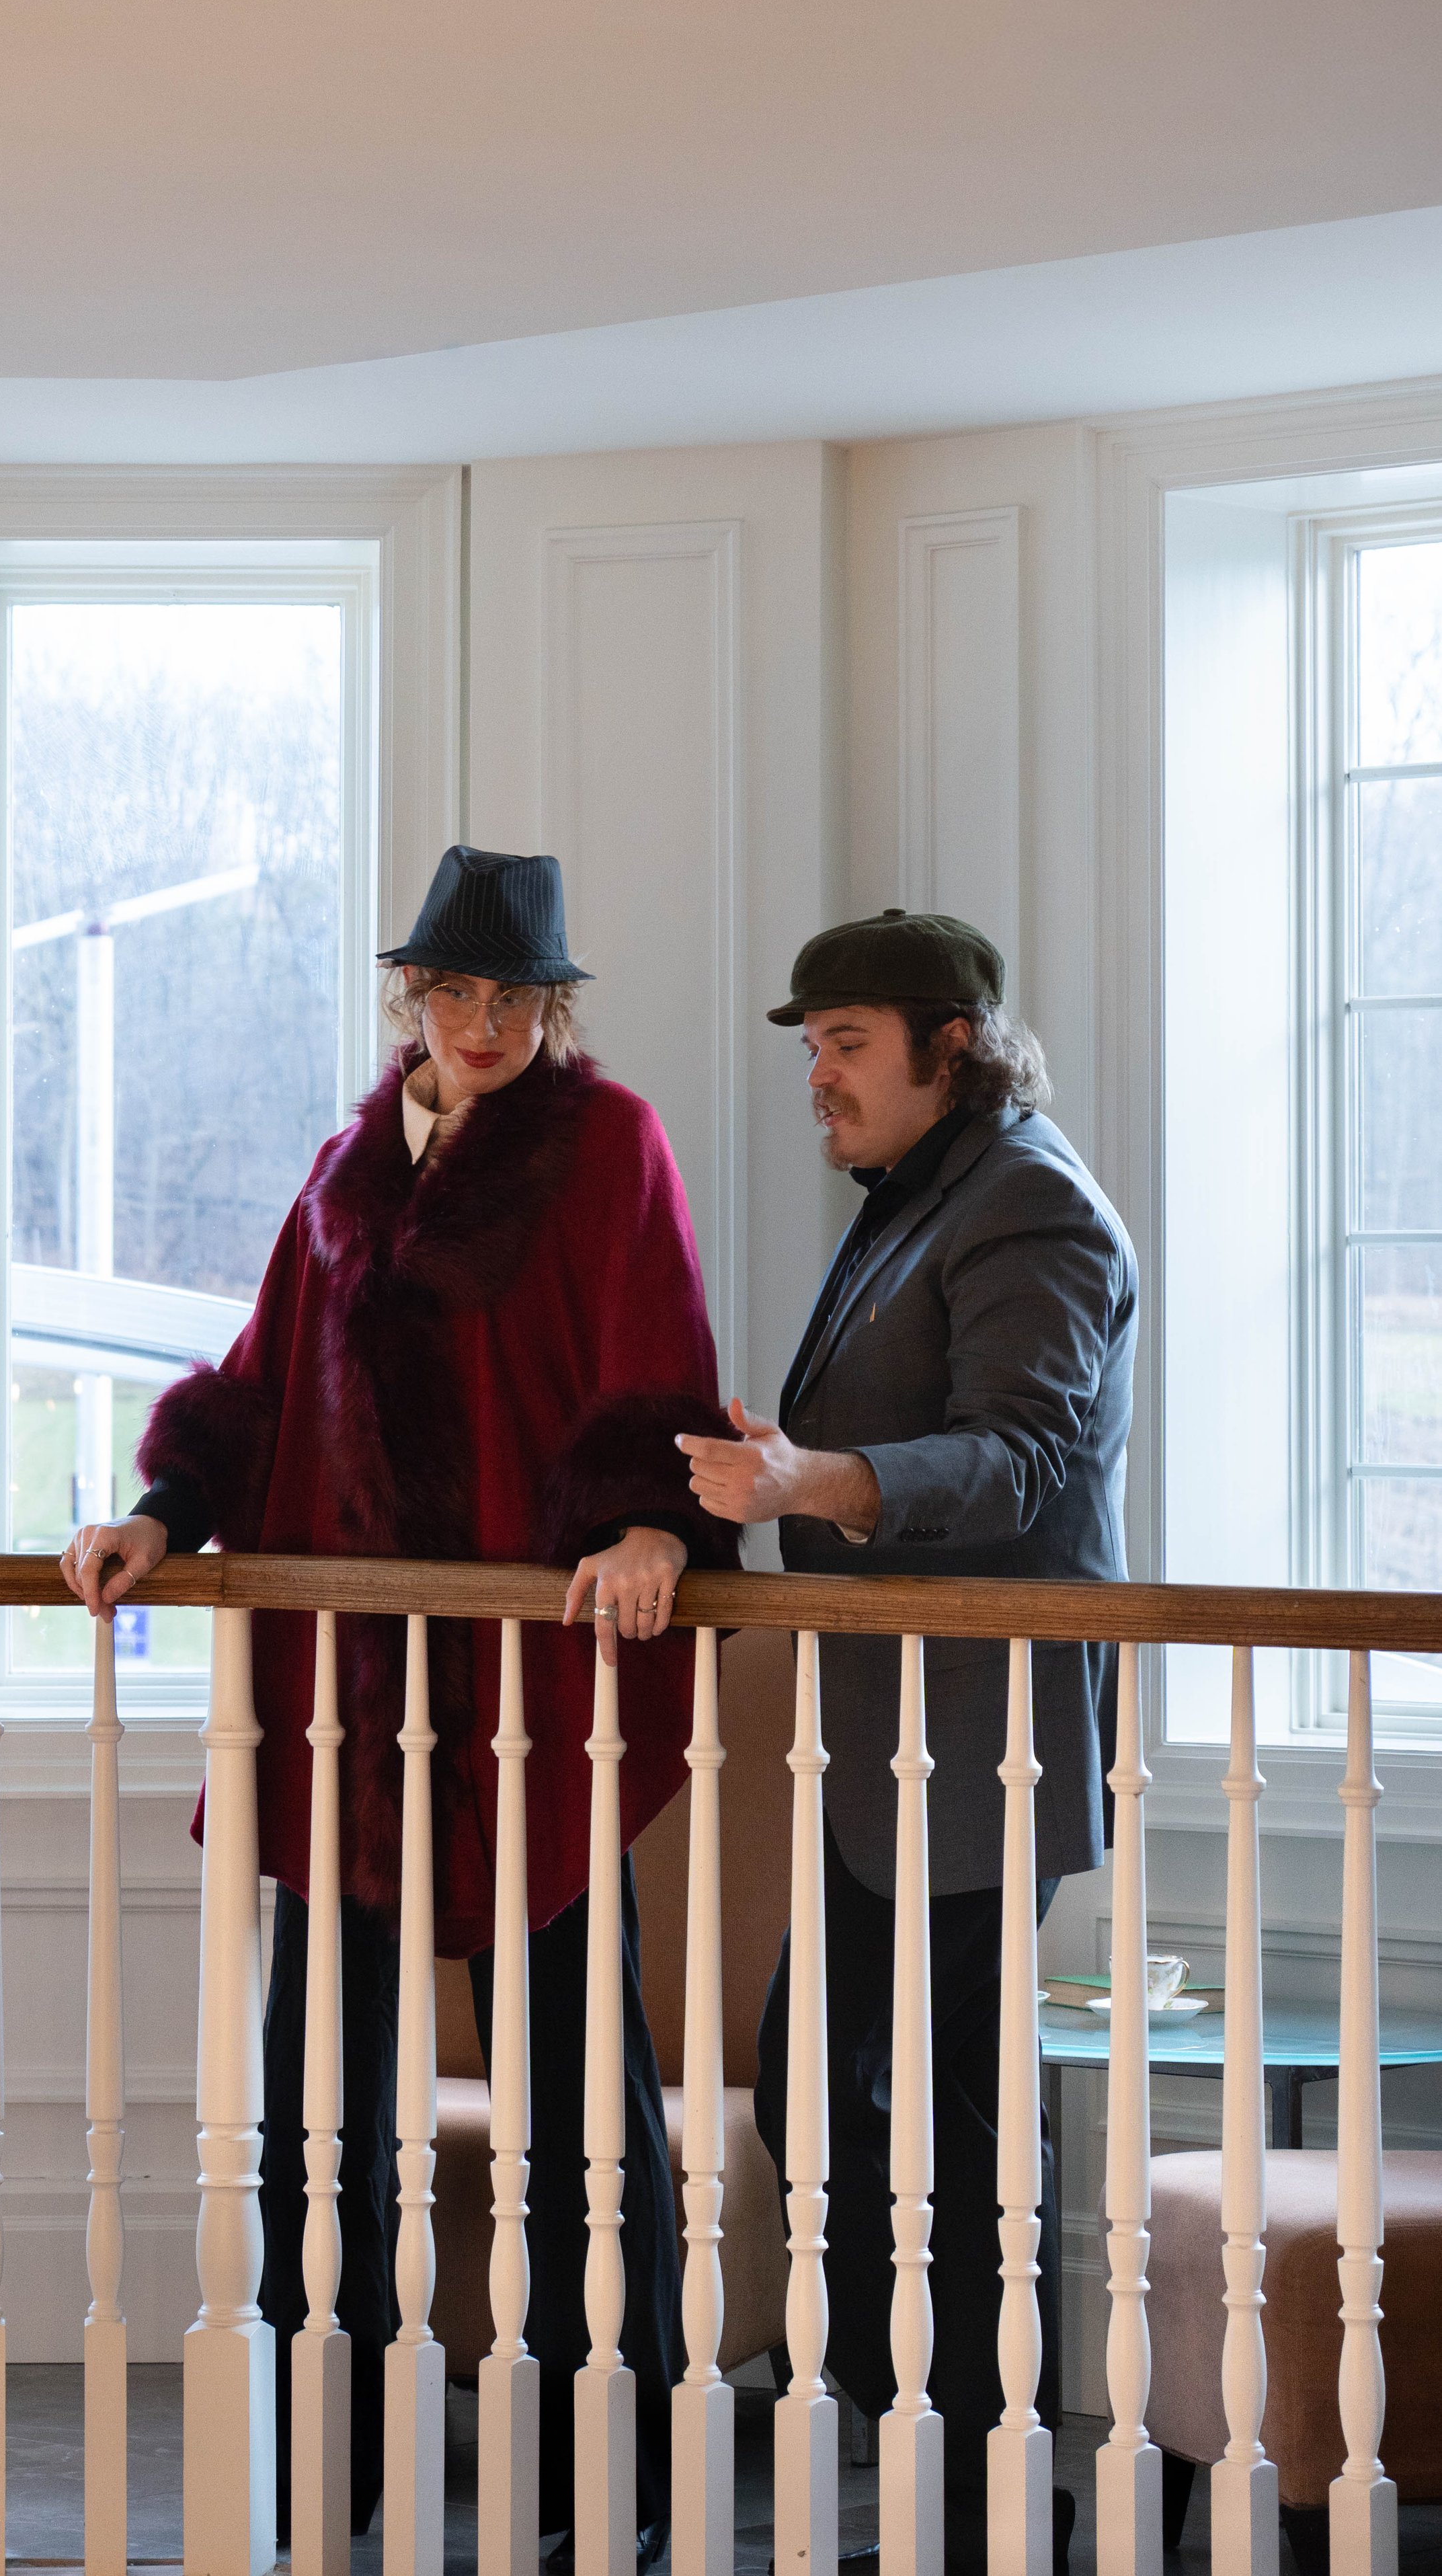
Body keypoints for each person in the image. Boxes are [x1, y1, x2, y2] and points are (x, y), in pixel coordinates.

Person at [63, 845, 738, 2565]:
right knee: (322, 2104)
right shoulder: (346, 1163)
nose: (485, 1020)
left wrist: (654, 1513)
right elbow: (259, 1371)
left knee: (587, 2091)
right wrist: (165, 1507)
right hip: (348, 1699)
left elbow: (654, 1349)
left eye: (516, 994)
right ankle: (332, 2457)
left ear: (551, 1006)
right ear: (409, 1000)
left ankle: (631, 2469)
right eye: (454, 991)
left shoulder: (609, 1144)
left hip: (529, 1685)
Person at [678, 907, 1137, 2576]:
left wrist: (812, 1483)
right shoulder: (915, 1200)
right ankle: (938, 2463)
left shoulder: (1029, 1199)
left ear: (950, 1043)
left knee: (930, 2129)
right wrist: (772, 1470)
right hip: (884, 1757)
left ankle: (984, 2491)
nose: (816, 1074)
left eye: (845, 1042)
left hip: (977, 1741)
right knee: (829, 2105)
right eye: (807, 1045)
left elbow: (1015, 1460)